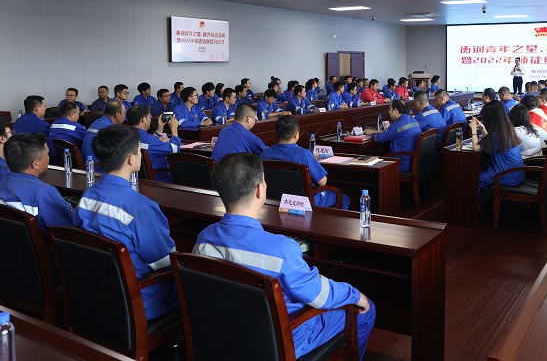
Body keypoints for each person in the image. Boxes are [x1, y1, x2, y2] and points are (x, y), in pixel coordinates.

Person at [192, 153, 373, 358]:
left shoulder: (203, 239)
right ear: (259, 190)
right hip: (279, 339)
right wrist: (355, 295)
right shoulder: (281, 250)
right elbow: (319, 295)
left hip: (224, 332)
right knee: (366, 310)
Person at [74, 125, 179, 320]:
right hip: (137, 299)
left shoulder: (87, 196)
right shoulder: (141, 207)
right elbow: (165, 262)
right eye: (139, 150)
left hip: (94, 289)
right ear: (131, 159)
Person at [261, 116, 350, 209]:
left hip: (275, 200)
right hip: (304, 202)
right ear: (296, 134)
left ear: (276, 133)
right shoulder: (304, 154)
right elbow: (323, 182)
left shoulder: (265, 153)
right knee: (344, 199)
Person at [0, 133, 74, 234]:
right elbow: (67, 230)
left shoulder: (2, 184)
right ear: (36, 164)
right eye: (47, 154)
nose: (49, 157)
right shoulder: (43, 193)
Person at [469, 101, 523, 189]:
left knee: (473, 176)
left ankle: (482, 198)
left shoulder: (497, 134)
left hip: (506, 176)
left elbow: (477, 148)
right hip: (516, 174)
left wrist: (474, 130)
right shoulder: (507, 129)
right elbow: (491, 141)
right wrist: (482, 128)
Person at [129, 104, 180, 183]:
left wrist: (159, 131)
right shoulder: (149, 140)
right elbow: (175, 149)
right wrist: (174, 129)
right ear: (143, 120)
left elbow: (149, 145)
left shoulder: (127, 135)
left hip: (138, 178)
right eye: (150, 117)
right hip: (159, 178)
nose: (151, 119)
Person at [366, 100, 421, 173]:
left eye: (390, 110)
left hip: (402, 163)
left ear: (395, 110)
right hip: (413, 160)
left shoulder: (398, 125)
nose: (389, 112)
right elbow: (392, 132)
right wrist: (375, 131)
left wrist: (371, 134)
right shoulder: (412, 119)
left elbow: (380, 138)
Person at [81, 101, 127, 170]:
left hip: (87, 165)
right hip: (99, 169)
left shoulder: (96, 122)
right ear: (117, 115)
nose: (125, 116)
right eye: (124, 113)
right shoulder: (111, 129)